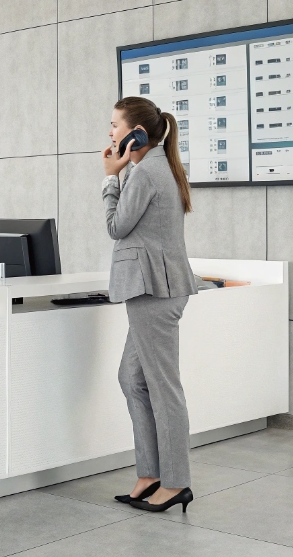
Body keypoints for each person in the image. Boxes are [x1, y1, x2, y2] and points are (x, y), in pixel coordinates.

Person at [103, 96, 198, 513]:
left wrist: (111, 177)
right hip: (154, 289)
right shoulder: (156, 167)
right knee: (131, 378)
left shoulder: (146, 173)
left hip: (153, 291)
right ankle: (151, 472)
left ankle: (175, 482)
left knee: (163, 389)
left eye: (114, 126)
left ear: (135, 134)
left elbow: (116, 226)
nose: (110, 133)